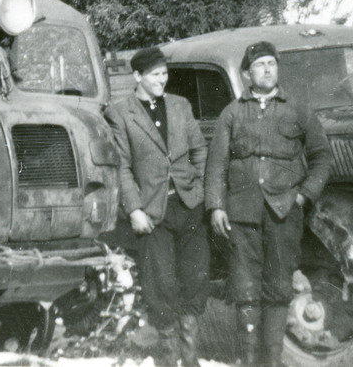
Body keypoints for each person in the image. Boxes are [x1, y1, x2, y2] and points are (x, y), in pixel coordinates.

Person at [205, 41, 332, 367]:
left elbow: (322, 157)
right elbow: (216, 163)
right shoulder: (232, 113)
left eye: (271, 64)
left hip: (283, 212)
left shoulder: (297, 109)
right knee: (245, 290)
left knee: (278, 288)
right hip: (242, 214)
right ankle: (249, 362)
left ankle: (271, 362)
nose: (266, 69)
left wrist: (304, 195)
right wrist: (216, 206)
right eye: (259, 65)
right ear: (247, 74)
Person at [104, 46, 209, 367]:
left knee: (194, 280)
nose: (161, 80)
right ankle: (167, 359)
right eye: (154, 75)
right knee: (160, 286)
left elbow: (199, 150)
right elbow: (121, 166)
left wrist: (200, 189)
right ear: (137, 76)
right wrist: (134, 209)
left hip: (189, 206)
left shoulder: (180, 106)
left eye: (164, 74)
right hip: (152, 213)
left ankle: (189, 359)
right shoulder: (120, 113)